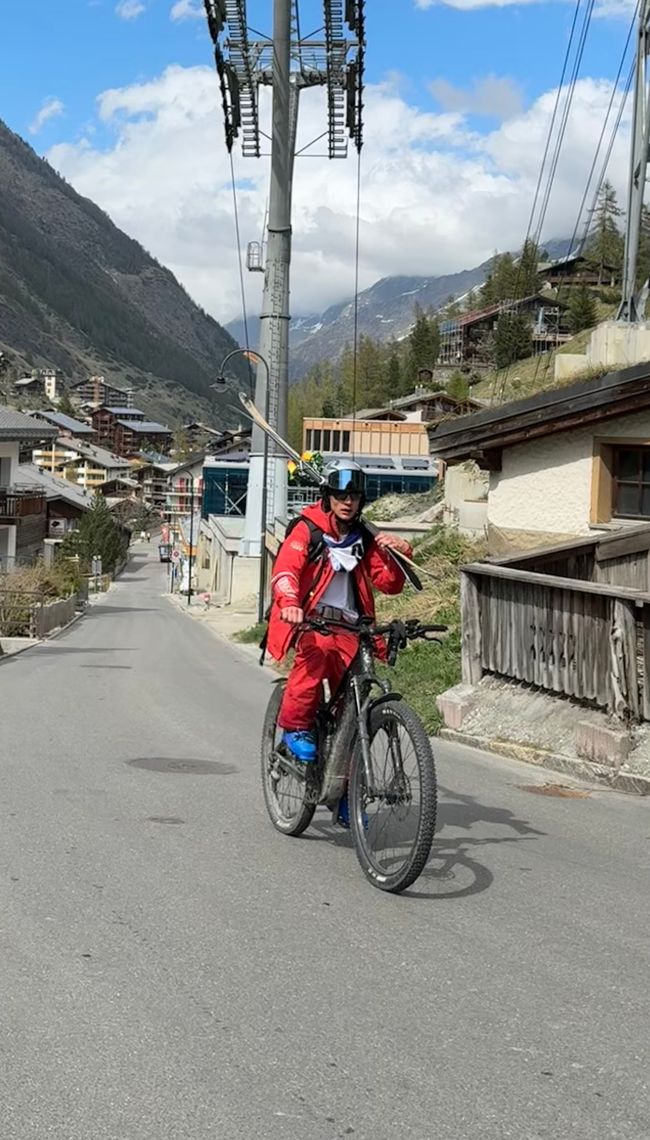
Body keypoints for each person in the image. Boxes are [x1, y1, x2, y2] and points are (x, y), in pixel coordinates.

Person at [265, 459, 412, 825]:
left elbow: (388, 583)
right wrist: (290, 604)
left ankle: (349, 790)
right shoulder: (307, 530)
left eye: (355, 496)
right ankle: (297, 726)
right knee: (314, 659)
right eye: (341, 495)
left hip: (354, 628)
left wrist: (399, 553)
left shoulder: (363, 537)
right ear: (328, 496)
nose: (348, 502)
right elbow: (285, 571)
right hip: (313, 621)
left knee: (357, 707)